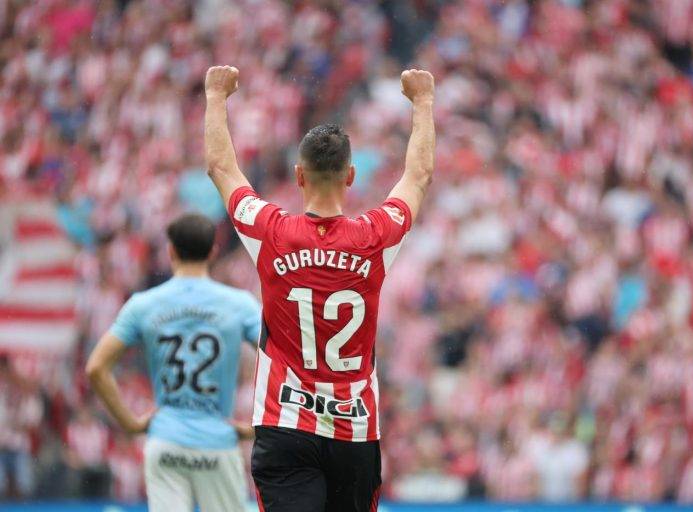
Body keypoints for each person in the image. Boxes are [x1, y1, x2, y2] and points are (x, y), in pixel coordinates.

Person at [204, 64, 435, 511]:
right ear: (350, 176)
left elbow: (220, 168)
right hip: (354, 428)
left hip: (285, 422)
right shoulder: (374, 237)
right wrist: (423, 102)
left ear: (298, 175)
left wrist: (216, 96)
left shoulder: (272, 232)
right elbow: (419, 176)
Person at [85, 213, 262, 512]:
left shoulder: (143, 304)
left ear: (170, 251)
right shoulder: (239, 305)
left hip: (166, 442)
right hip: (217, 442)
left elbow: (96, 368)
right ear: (213, 252)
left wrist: (130, 423)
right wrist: (258, 425)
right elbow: (284, 357)